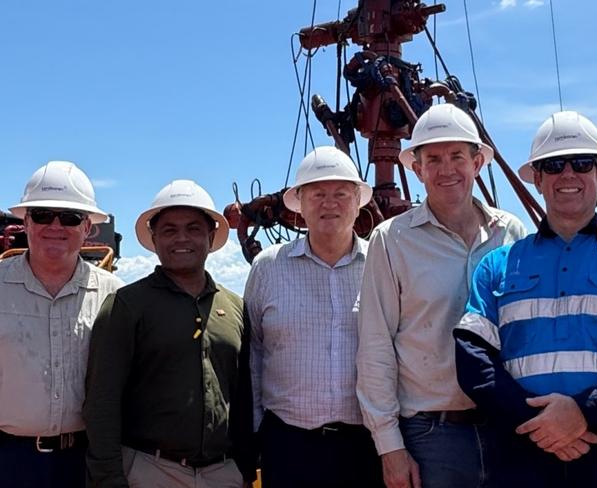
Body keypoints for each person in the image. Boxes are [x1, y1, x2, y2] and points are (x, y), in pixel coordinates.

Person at [454, 110, 597, 488]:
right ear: (539, 179)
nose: (568, 174)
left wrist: (583, 412)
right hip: (523, 454)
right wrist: (543, 424)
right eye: (554, 165)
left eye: (582, 163)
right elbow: (472, 359)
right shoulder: (497, 265)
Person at [356, 104, 527, 488]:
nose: (446, 169)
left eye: (457, 157)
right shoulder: (391, 240)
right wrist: (390, 448)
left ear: (478, 162)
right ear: (417, 169)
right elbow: (375, 344)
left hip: (508, 428)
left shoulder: (511, 233)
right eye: (433, 159)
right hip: (431, 437)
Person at [83, 179, 255, 488]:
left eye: (193, 228)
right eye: (169, 230)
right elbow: (102, 401)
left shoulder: (235, 308)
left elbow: (243, 397)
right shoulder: (126, 306)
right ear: (154, 237)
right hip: (150, 471)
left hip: (223, 473)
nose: (181, 239)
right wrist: (109, 478)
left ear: (211, 235)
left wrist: (244, 468)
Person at [244, 146, 385, 488]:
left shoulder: (382, 263)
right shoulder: (268, 268)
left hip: (367, 444)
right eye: (318, 194)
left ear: (357, 202)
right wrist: (255, 433)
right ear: (300, 205)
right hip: (289, 444)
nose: (329, 203)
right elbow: (252, 356)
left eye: (340, 194)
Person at [0, 160, 124, 488]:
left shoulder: (114, 293)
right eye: (42, 215)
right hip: (8, 460)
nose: (55, 226)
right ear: (25, 222)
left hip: (84, 462)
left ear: (88, 228)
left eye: (69, 218)